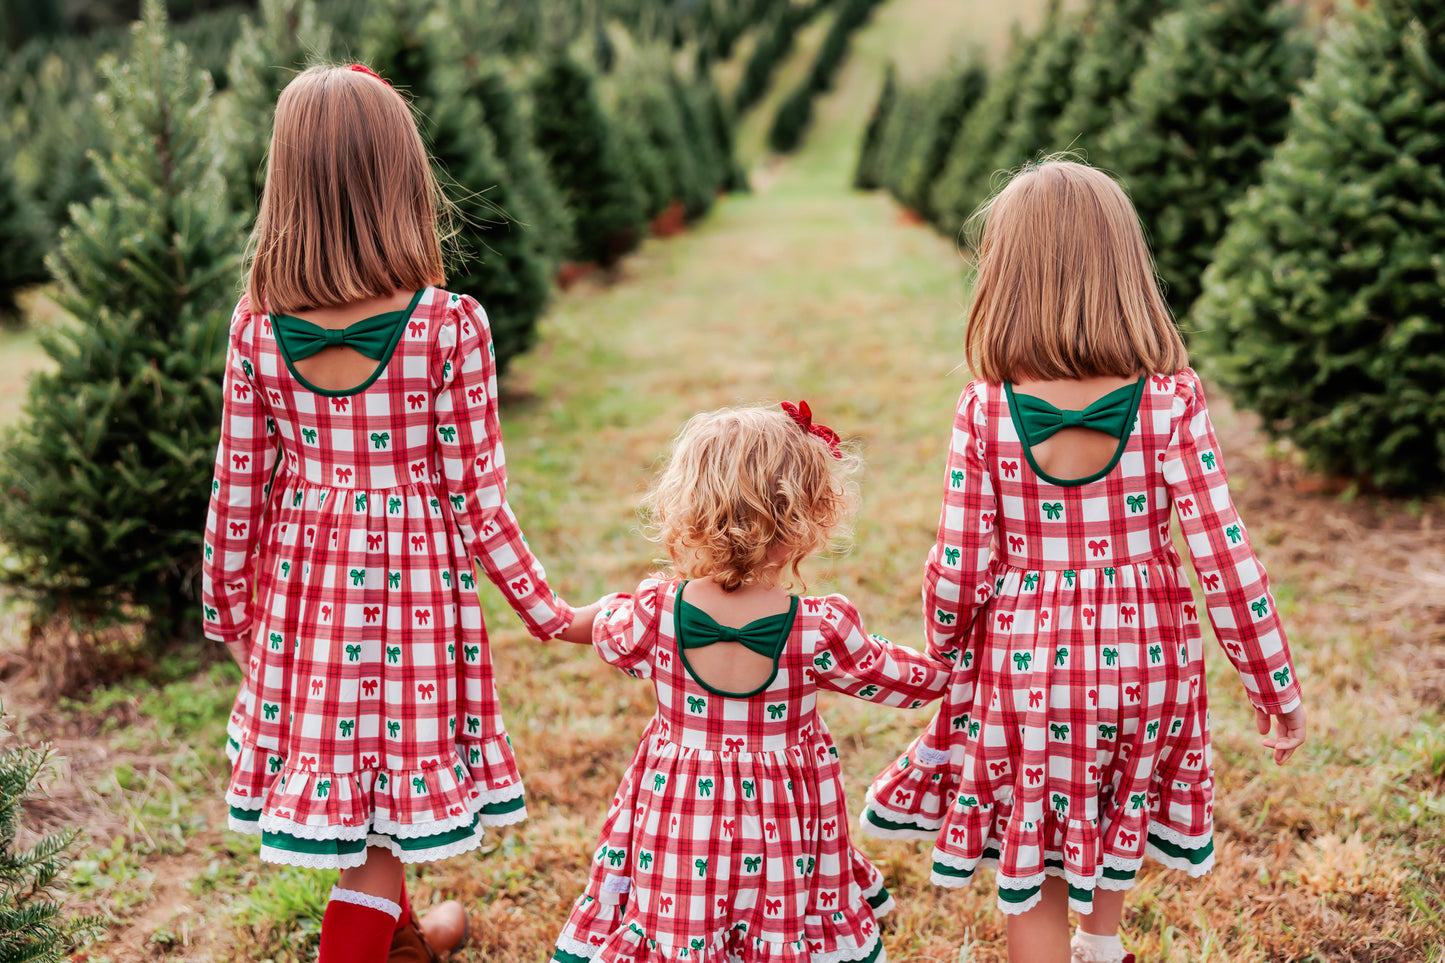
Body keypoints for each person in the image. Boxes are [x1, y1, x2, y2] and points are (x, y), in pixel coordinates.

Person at [858, 160, 1307, 963]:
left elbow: (958, 561)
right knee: (1116, 799)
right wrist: (1270, 679)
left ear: (1005, 277)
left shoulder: (985, 409)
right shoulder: (1171, 400)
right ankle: (1101, 944)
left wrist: (947, 645)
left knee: (1036, 829)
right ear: (1124, 270)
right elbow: (1224, 556)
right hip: (1149, 666)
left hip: (1028, 670)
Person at [201, 63, 597, 963]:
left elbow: (238, 492)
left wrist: (230, 614)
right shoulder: (448, 325)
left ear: (285, 186)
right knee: (379, 822)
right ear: (401, 184)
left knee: (362, 791)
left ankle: (404, 939)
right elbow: (478, 501)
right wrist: (547, 613)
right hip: (411, 612)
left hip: (305, 605)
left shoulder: (255, 328)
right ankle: (358, 945)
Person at [549, 402, 951, 962]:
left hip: (681, 811)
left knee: (684, 912)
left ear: (687, 507)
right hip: (782, 823)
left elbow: (585, 624)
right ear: (807, 517)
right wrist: (971, 661)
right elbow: (909, 682)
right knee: (776, 906)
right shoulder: (819, 628)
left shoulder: (653, 613)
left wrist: (549, 611)